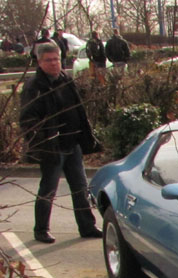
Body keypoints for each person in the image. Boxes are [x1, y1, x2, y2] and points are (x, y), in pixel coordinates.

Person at [19, 42, 103, 244]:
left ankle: (87, 226)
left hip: (71, 142)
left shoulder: (65, 79)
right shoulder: (34, 87)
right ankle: (41, 229)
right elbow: (28, 121)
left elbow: (79, 110)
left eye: (56, 59)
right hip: (51, 146)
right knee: (48, 189)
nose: (54, 63)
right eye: (48, 60)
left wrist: (86, 137)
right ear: (39, 62)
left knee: (80, 187)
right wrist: (42, 144)